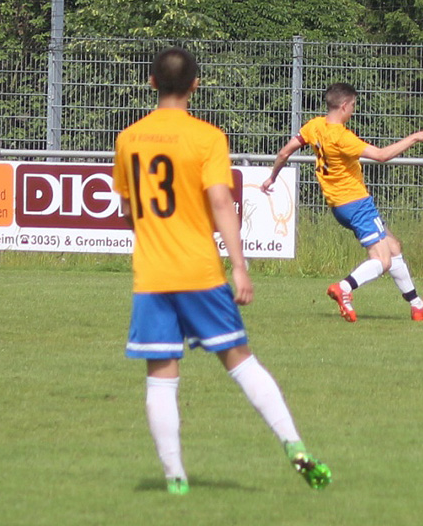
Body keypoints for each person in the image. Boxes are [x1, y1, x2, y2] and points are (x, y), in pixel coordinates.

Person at [112, 47, 331, 495]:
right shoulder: (207, 137)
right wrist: (240, 266)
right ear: (196, 85)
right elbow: (219, 202)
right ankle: (294, 446)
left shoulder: (129, 138)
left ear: (151, 83)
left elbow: (128, 207)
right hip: (199, 272)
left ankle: (175, 479)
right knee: (239, 359)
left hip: (152, 276)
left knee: (161, 372)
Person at [260, 82, 423, 323]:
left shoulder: (314, 126)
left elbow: (285, 153)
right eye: (353, 106)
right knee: (383, 260)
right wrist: (415, 137)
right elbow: (382, 156)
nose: (354, 111)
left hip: (339, 206)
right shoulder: (343, 138)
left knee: (393, 247)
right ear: (345, 105)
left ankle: (417, 305)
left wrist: (272, 177)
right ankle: (344, 287)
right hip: (357, 203)